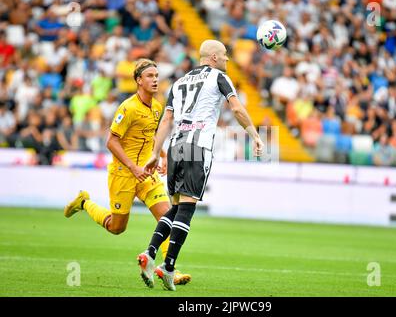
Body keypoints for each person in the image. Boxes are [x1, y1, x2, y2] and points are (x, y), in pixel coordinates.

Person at [142, 40, 264, 291]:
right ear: (213, 57)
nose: (228, 59)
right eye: (224, 55)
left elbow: (167, 119)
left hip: (176, 146)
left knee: (175, 209)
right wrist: (254, 135)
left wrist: (156, 152)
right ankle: (168, 267)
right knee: (186, 209)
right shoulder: (219, 77)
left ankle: (150, 252)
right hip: (198, 146)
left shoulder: (178, 83)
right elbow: (237, 109)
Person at [63, 59, 191, 287]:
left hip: (147, 174)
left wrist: (160, 155)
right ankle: (84, 203)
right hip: (124, 173)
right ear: (138, 81)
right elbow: (111, 141)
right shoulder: (128, 108)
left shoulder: (157, 107)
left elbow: (150, 135)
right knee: (116, 227)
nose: (155, 80)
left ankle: (169, 268)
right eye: (150, 76)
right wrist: (133, 167)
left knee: (166, 217)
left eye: (156, 75)